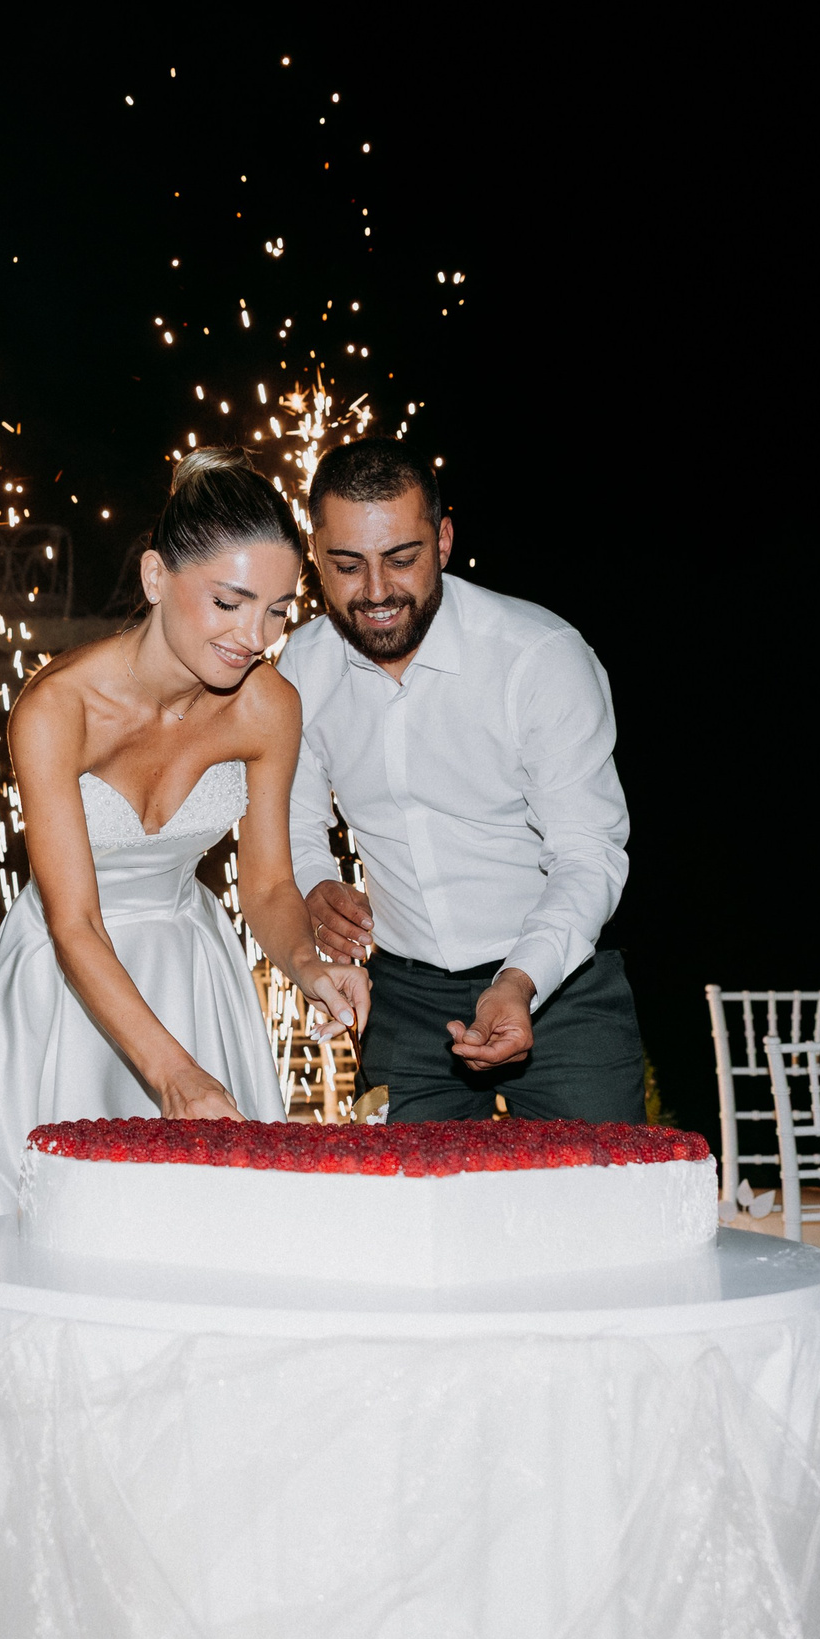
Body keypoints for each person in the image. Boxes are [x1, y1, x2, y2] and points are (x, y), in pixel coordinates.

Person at [0, 449, 373, 1230]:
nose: (252, 636)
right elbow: (74, 923)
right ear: (157, 576)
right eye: (229, 602)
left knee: (202, 1237)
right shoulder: (57, 710)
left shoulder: (269, 708)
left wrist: (307, 962)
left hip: (190, 973)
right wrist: (175, 1076)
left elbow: (265, 887)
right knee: (58, 1239)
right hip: (65, 983)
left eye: (275, 610)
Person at [281, 437, 642, 1124]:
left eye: (402, 558)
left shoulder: (539, 659)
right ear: (316, 559)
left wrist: (519, 978)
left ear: (443, 540)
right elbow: (294, 822)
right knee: (405, 1225)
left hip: (563, 992)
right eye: (348, 565)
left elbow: (589, 851)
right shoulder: (302, 668)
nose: (377, 591)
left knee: (603, 1216)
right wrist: (315, 883)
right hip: (402, 1003)